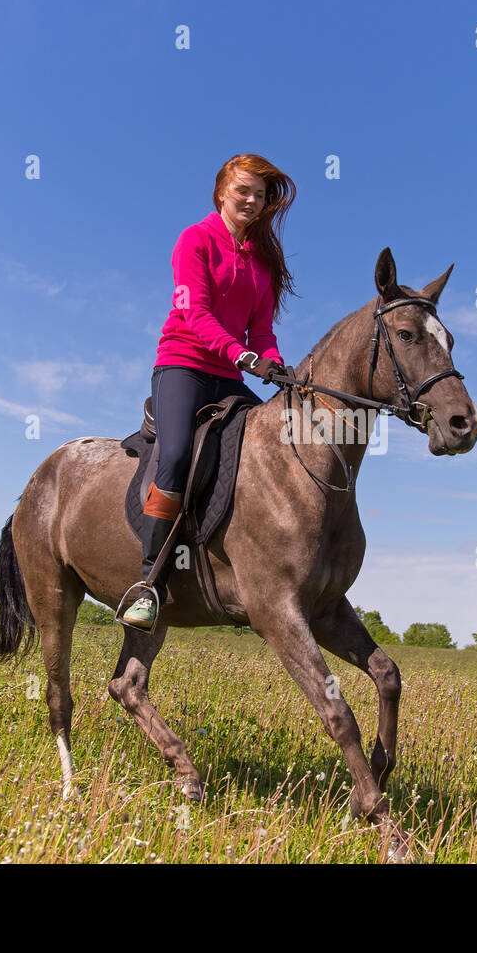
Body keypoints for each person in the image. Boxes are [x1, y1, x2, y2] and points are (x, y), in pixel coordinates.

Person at [122, 154, 297, 629]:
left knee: (272, 450)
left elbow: (260, 331)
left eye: (259, 196)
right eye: (243, 190)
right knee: (177, 454)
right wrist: (240, 356)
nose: (251, 200)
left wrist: (275, 366)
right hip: (183, 365)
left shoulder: (261, 263)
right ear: (221, 192)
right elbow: (195, 313)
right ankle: (148, 583)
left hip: (231, 378)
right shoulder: (194, 240)